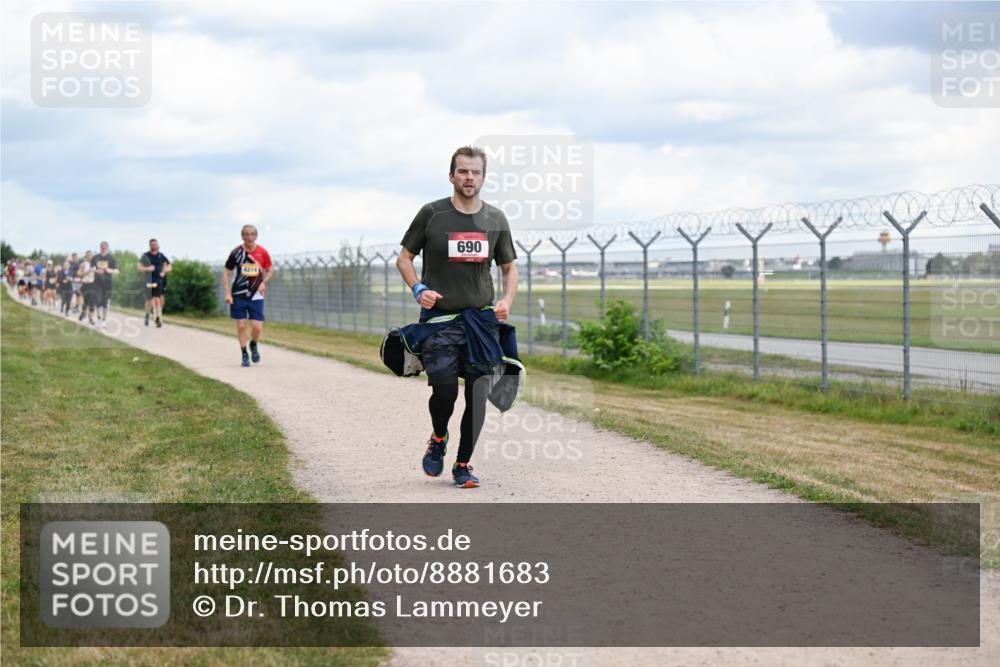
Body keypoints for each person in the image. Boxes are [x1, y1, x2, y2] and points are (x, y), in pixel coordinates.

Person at [395, 145, 518, 488]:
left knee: (478, 394)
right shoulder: (432, 215)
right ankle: (438, 438)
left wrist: (507, 299)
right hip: (439, 321)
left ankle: (463, 464)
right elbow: (404, 258)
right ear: (451, 176)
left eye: (475, 172)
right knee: (446, 391)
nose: (469, 177)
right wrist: (418, 288)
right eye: (463, 171)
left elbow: (509, 267)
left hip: (480, 321)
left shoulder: (495, 219)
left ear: (483, 177)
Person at [223, 225, 273, 367]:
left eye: (252, 234)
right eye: (246, 234)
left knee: (257, 327)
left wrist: (264, 281)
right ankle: (244, 353)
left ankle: (254, 344)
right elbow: (226, 273)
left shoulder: (262, 252)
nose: (249, 237)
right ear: (242, 236)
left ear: (256, 236)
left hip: (256, 294)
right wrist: (227, 293)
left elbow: (269, 270)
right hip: (238, 294)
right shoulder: (236, 253)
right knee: (241, 325)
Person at [138, 239, 171, 327]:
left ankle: (158, 318)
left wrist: (164, 272)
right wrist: (148, 269)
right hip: (148, 280)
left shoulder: (161, 256)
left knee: (157, 299)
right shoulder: (146, 256)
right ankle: (147, 315)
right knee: (149, 300)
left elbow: (169, 266)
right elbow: (139, 268)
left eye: (155, 244)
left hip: (158, 280)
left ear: (157, 245)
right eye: (151, 244)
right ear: (150, 245)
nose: (153, 246)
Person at [92, 241, 119, 325]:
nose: (103, 248)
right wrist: (97, 271)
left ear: (107, 247)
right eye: (101, 246)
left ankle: (104, 319)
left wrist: (109, 270)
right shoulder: (95, 257)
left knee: (104, 302)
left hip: (107, 283)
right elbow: (91, 269)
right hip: (97, 282)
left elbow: (117, 271)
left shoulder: (111, 258)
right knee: (98, 300)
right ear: (100, 247)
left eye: (104, 246)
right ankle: (99, 319)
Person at [78, 251, 97, 325]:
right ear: (86, 257)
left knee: (92, 302)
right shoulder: (83, 264)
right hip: (85, 285)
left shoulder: (95, 264)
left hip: (93, 285)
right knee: (86, 302)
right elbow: (79, 274)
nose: (89, 257)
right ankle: (83, 312)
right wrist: (87, 272)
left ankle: (91, 319)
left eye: (91, 256)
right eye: (88, 256)